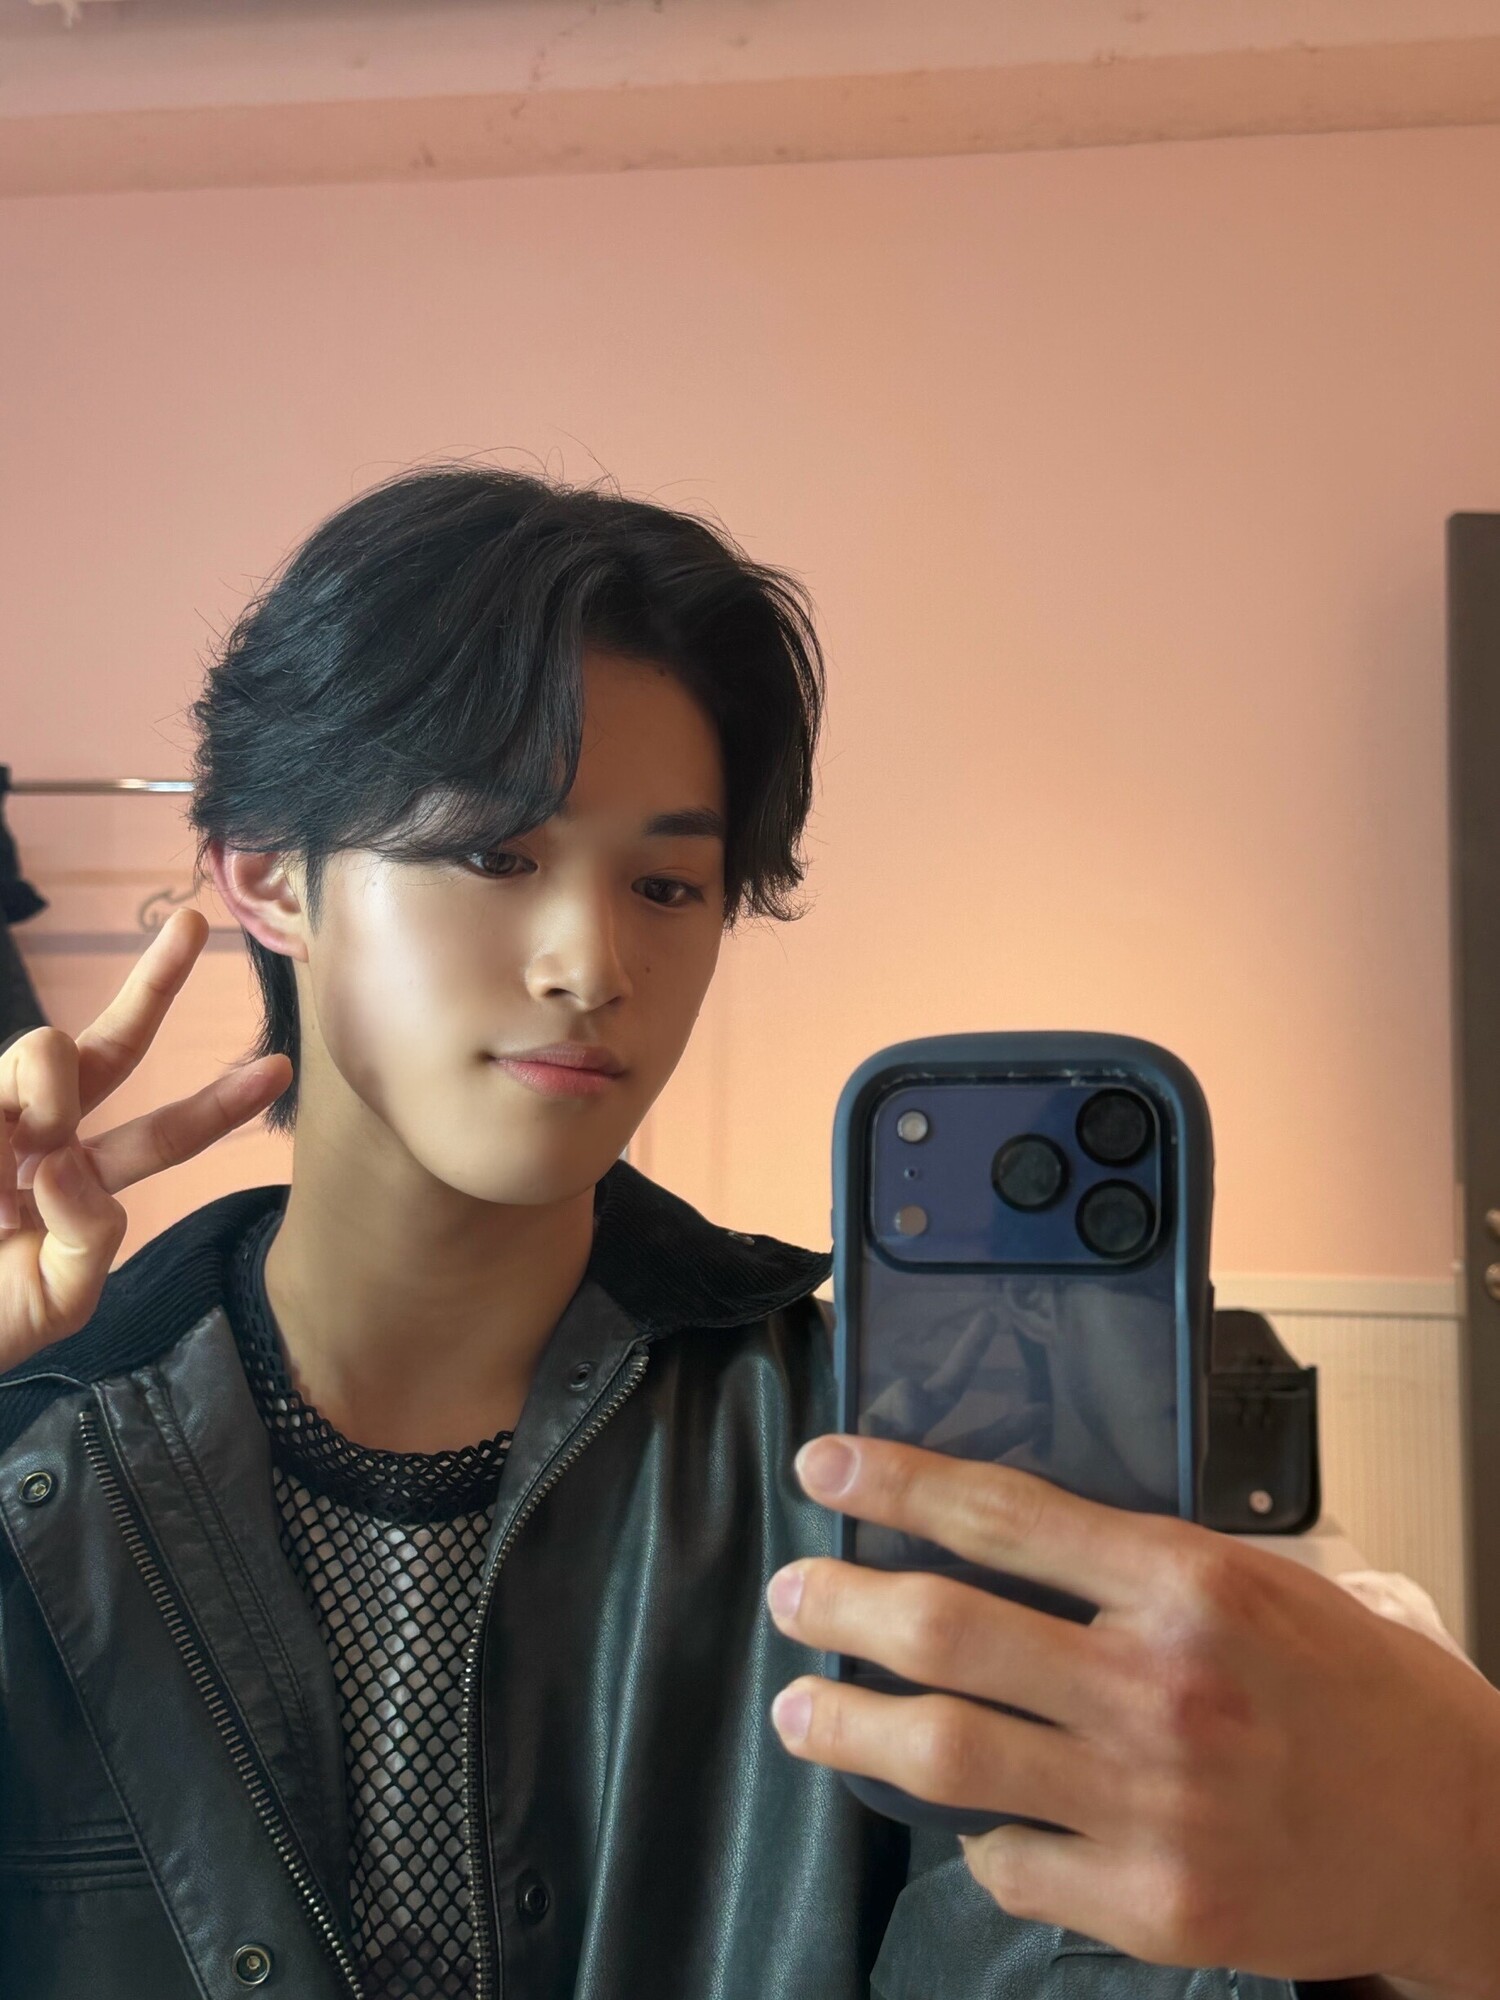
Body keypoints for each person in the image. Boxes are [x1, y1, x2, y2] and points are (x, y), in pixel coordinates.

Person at [0, 465, 1493, 2000]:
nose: (592, 963)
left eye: (667, 883)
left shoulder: (873, 1456)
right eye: (494, 855)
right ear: (267, 877)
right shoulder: (37, 1446)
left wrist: (1448, 1858)